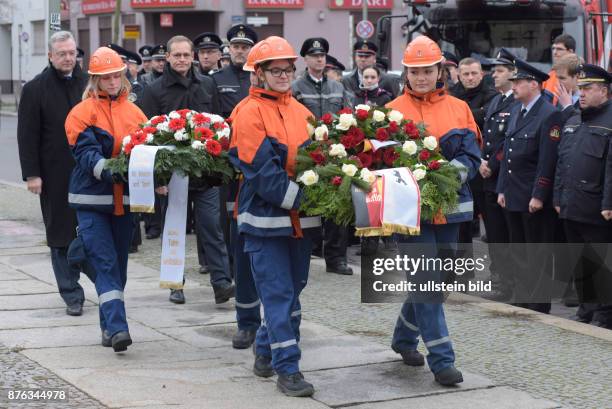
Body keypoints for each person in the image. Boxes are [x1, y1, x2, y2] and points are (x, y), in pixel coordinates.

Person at [386, 35, 481, 386]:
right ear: (406, 73)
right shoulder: (392, 110)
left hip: (452, 209)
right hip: (409, 213)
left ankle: (403, 338)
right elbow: (381, 162)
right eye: (415, 71)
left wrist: (442, 178)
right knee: (425, 282)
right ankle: (442, 361)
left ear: (440, 70)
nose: (422, 77)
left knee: (437, 283)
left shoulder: (459, 109)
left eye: (428, 70)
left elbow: (472, 156)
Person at [229, 36, 322, 397]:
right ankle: (289, 369)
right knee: (279, 295)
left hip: (301, 222)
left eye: (287, 69)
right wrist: (304, 198)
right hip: (264, 223)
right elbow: (261, 172)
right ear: (259, 74)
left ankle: (266, 350)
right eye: (276, 70)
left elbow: (319, 162)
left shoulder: (303, 112)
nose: (284, 75)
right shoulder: (247, 112)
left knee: (293, 292)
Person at [140, 35, 233, 306]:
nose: (181, 59)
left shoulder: (207, 85)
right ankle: (175, 284)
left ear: (192, 56)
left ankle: (221, 283)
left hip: (205, 174)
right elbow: (146, 136)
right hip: (173, 178)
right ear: (167, 58)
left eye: (185, 55)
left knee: (212, 229)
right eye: (176, 55)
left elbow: (218, 127)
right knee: (175, 230)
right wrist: (157, 178)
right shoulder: (154, 91)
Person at [65, 46, 147, 352]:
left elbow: (146, 154)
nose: (112, 82)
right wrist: (112, 171)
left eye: (116, 76)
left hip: (124, 202)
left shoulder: (136, 113)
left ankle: (106, 326)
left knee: (119, 269)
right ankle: (118, 328)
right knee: (105, 262)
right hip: (91, 201)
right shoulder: (81, 113)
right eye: (105, 78)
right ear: (95, 81)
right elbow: (86, 154)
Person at [17, 30, 90, 317]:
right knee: (59, 233)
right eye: (62, 53)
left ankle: (97, 278)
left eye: (72, 53)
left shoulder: (88, 83)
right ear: (50, 55)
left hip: (88, 171)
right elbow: (27, 136)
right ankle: (71, 293)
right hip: (54, 174)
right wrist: (32, 175)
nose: (68, 58)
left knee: (90, 230)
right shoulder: (35, 89)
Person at [496, 59, 563, 314]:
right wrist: (502, 188)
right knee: (519, 250)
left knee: (537, 252)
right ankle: (524, 298)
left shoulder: (549, 114)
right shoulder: (516, 110)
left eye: (518, 82)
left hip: (533, 197)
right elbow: (507, 152)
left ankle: (538, 303)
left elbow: (548, 160)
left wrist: (539, 194)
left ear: (533, 85)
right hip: (513, 192)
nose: (513, 87)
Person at [554, 64, 612, 329]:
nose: (583, 94)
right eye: (581, 89)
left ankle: (605, 312)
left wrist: (608, 203)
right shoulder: (574, 119)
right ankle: (586, 307)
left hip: (597, 206)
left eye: (588, 89)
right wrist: (557, 197)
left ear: (604, 90)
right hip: (570, 203)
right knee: (579, 260)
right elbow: (562, 163)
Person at [292, 37, 354, 275]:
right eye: (314, 55)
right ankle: (305, 253)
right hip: (306, 155)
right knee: (307, 207)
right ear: (305, 59)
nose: (319, 59)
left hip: (334, 154)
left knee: (337, 206)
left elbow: (348, 117)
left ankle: (336, 259)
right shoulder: (296, 87)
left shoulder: (337, 87)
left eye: (322, 56)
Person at [225, 41, 264, 350]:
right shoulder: (243, 108)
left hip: (275, 201)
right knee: (244, 263)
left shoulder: (293, 106)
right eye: (252, 74)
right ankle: (247, 323)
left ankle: (265, 325)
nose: (253, 79)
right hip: (245, 197)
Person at [480, 48, 519, 301]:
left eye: (500, 70)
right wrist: (482, 161)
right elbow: (488, 138)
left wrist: (492, 164)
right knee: (494, 233)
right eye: (494, 70)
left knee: (508, 235)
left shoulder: (517, 102)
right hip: (488, 178)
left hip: (504, 176)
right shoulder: (495, 100)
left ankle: (510, 282)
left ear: (513, 74)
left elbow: (509, 142)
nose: (494, 75)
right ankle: (499, 277)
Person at [212, 25, 258, 118]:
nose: (239, 51)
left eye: (244, 47)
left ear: (252, 50)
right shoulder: (216, 78)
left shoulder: (259, 77)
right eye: (236, 47)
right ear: (229, 49)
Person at [543, 34, 576, 102]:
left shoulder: (579, 73)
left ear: (570, 52)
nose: (555, 52)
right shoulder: (549, 76)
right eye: (553, 48)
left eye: (559, 49)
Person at [553, 53, 582, 122]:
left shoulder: (588, 100)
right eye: (557, 78)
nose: (558, 83)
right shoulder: (562, 97)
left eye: (562, 78)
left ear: (577, 77)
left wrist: (568, 106)